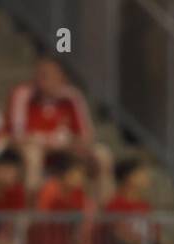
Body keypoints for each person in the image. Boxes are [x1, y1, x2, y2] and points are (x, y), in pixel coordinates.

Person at [6, 55, 113, 200]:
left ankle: (104, 212)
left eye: (48, 75)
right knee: (33, 155)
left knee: (103, 155)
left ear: (61, 76)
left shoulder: (72, 96)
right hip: (36, 150)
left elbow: (86, 136)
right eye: (40, 74)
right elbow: (17, 136)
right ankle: (31, 213)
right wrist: (50, 142)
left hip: (66, 150)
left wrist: (69, 143)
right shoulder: (23, 93)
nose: (42, 80)